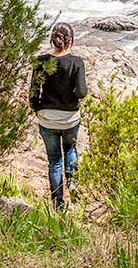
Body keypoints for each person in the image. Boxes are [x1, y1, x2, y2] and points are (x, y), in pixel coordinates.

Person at [29, 22, 87, 210]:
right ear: (70, 41)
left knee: (54, 161)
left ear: (52, 39)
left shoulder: (40, 61)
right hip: (69, 118)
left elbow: (33, 91)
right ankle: (73, 183)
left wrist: (35, 108)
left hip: (47, 117)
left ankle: (58, 205)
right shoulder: (77, 63)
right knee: (70, 149)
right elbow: (82, 93)